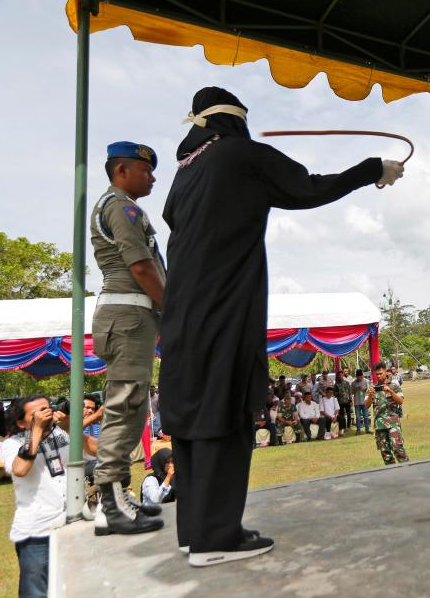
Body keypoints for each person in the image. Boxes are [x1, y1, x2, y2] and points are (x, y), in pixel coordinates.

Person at [159, 87, 402, 566]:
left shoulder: (182, 176)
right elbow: (309, 188)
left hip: (181, 310)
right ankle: (216, 538)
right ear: (235, 123)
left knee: (190, 418)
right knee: (224, 412)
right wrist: (373, 169)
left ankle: (194, 530)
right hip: (224, 305)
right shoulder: (241, 156)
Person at [89, 140, 165, 536]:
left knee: (132, 406)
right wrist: (170, 308)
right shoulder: (120, 206)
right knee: (126, 403)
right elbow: (139, 264)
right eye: (145, 169)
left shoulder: (120, 206)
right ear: (121, 171)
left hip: (131, 315)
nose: (152, 177)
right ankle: (110, 503)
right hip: (129, 313)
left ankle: (116, 498)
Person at [0, 395, 70, 598]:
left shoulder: (61, 434)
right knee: (36, 596)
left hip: (68, 524)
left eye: (47, 408)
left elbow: (94, 451)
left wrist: (72, 427)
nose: (45, 414)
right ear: (21, 422)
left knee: (69, 590)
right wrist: (36, 430)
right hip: (36, 532)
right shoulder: (11, 444)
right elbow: (20, 469)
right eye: (37, 413)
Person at [365, 362, 408, 465]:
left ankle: (408, 469)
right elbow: (366, 405)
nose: (379, 376)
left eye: (381, 373)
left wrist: (391, 391)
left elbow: (400, 401)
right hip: (379, 425)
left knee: (397, 447)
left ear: (386, 371)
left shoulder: (394, 385)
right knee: (385, 453)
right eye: (377, 374)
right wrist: (371, 395)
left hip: (393, 422)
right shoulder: (372, 387)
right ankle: (392, 474)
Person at [352, 370, 370, 434]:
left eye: (360, 377)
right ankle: (358, 430)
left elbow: (369, 391)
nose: (359, 378)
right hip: (357, 402)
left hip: (364, 401)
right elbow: (351, 392)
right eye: (358, 377)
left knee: (366, 416)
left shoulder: (366, 381)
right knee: (358, 417)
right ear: (356, 376)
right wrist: (356, 389)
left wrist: (364, 389)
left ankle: (367, 429)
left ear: (362, 376)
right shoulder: (353, 383)